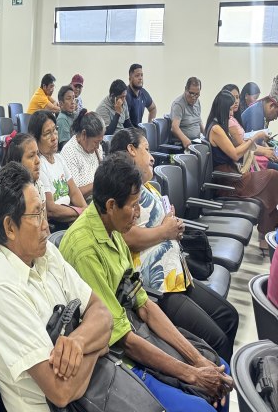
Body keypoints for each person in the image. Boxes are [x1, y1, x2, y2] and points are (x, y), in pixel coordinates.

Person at [61, 153, 233, 412]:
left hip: (133, 327)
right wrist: (191, 373)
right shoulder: (85, 250)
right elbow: (123, 339)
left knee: (219, 370)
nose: (138, 213)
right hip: (114, 353)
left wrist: (197, 360)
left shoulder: (112, 229)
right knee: (201, 405)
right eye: (133, 206)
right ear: (111, 205)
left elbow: (144, 305)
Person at [0, 162, 113, 411]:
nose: (46, 225)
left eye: (44, 212)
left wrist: (78, 342)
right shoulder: (2, 290)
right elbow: (60, 392)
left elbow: (103, 314)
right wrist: (97, 346)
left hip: (92, 393)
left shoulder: (45, 252)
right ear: (10, 227)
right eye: (36, 215)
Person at [110, 128, 239, 362]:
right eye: (146, 149)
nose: (152, 157)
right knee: (217, 340)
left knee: (229, 316)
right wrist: (165, 231)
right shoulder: (121, 193)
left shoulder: (149, 187)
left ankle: (223, 375)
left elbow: (163, 226)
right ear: (131, 150)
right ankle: (217, 379)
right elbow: (125, 237)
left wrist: (173, 226)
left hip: (178, 273)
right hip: (158, 285)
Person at [206, 90, 278, 250]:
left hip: (233, 174)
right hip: (228, 180)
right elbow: (235, 153)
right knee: (273, 176)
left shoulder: (219, 126)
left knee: (271, 183)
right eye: (230, 110)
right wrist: (254, 138)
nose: (232, 114)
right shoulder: (216, 129)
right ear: (223, 108)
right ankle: (266, 232)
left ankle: (266, 233)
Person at [28, 110, 86, 227]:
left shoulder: (59, 158)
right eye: (47, 133)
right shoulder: (39, 164)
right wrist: (81, 212)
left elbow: (74, 191)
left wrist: (86, 209)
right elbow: (50, 209)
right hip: (57, 223)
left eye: (55, 130)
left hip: (71, 214)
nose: (54, 137)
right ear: (36, 139)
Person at [224, 83, 277, 171]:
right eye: (233, 98)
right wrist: (261, 144)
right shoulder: (230, 122)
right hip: (242, 162)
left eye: (237, 97)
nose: (236, 101)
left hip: (247, 157)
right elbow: (243, 146)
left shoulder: (233, 119)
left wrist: (268, 150)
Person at [60, 110, 104, 200]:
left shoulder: (97, 148)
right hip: (82, 203)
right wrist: (99, 183)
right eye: (96, 142)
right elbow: (73, 194)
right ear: (84, 134)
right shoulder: (69, 152)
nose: (98, 146)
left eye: (100, 142)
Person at [1, 132, 45, 204]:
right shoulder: (10, 194)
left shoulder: (39, 184)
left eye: (38, 154)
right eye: (31, 156)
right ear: (17, 163)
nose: (38, 161)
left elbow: (43, 211)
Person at [170, 77, 205, 150]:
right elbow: (174, 128)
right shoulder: (178, 104)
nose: (194, 97)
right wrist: (185, 140)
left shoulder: (197, 102)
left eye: (197, 94)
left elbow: (199, 120)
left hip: (197, 141)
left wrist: (206, 135)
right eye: (191, 93)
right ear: (186, 89)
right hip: (183, 144)